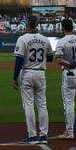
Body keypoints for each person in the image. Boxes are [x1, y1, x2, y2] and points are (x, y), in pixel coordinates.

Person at [13, 14, 52, 143]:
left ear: (28, 23)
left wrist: (14, 78)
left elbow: (18, 60)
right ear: (37, 24)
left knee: (29, 105)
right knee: (42, 104)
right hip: (40, 73)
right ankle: (44, 135)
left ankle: (32, 135)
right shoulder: (45, 39)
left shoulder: (22, 39)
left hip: (27, 72)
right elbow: (51, 58)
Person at [54, 18, 76, 138]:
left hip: (70, 73)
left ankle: (70, 131)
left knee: (69, 103)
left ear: (63, 28)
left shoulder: (62, 41)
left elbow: (59, 60)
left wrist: (70, 64)